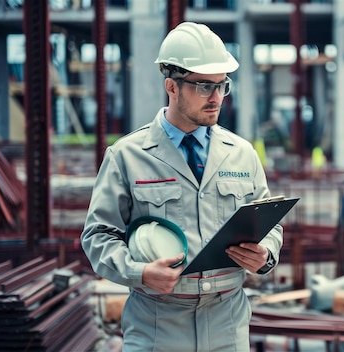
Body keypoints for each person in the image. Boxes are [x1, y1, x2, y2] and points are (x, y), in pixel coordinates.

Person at [80, 22, 283, 351]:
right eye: (204, 86)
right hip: (157, 325)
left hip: (227, 323)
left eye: (222, 86)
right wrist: (140, 272)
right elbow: (98, 236)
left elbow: (268, 222)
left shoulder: (241, 154)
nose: (216, 97)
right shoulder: (127, 157)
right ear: (171, 86)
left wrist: (266, 256)